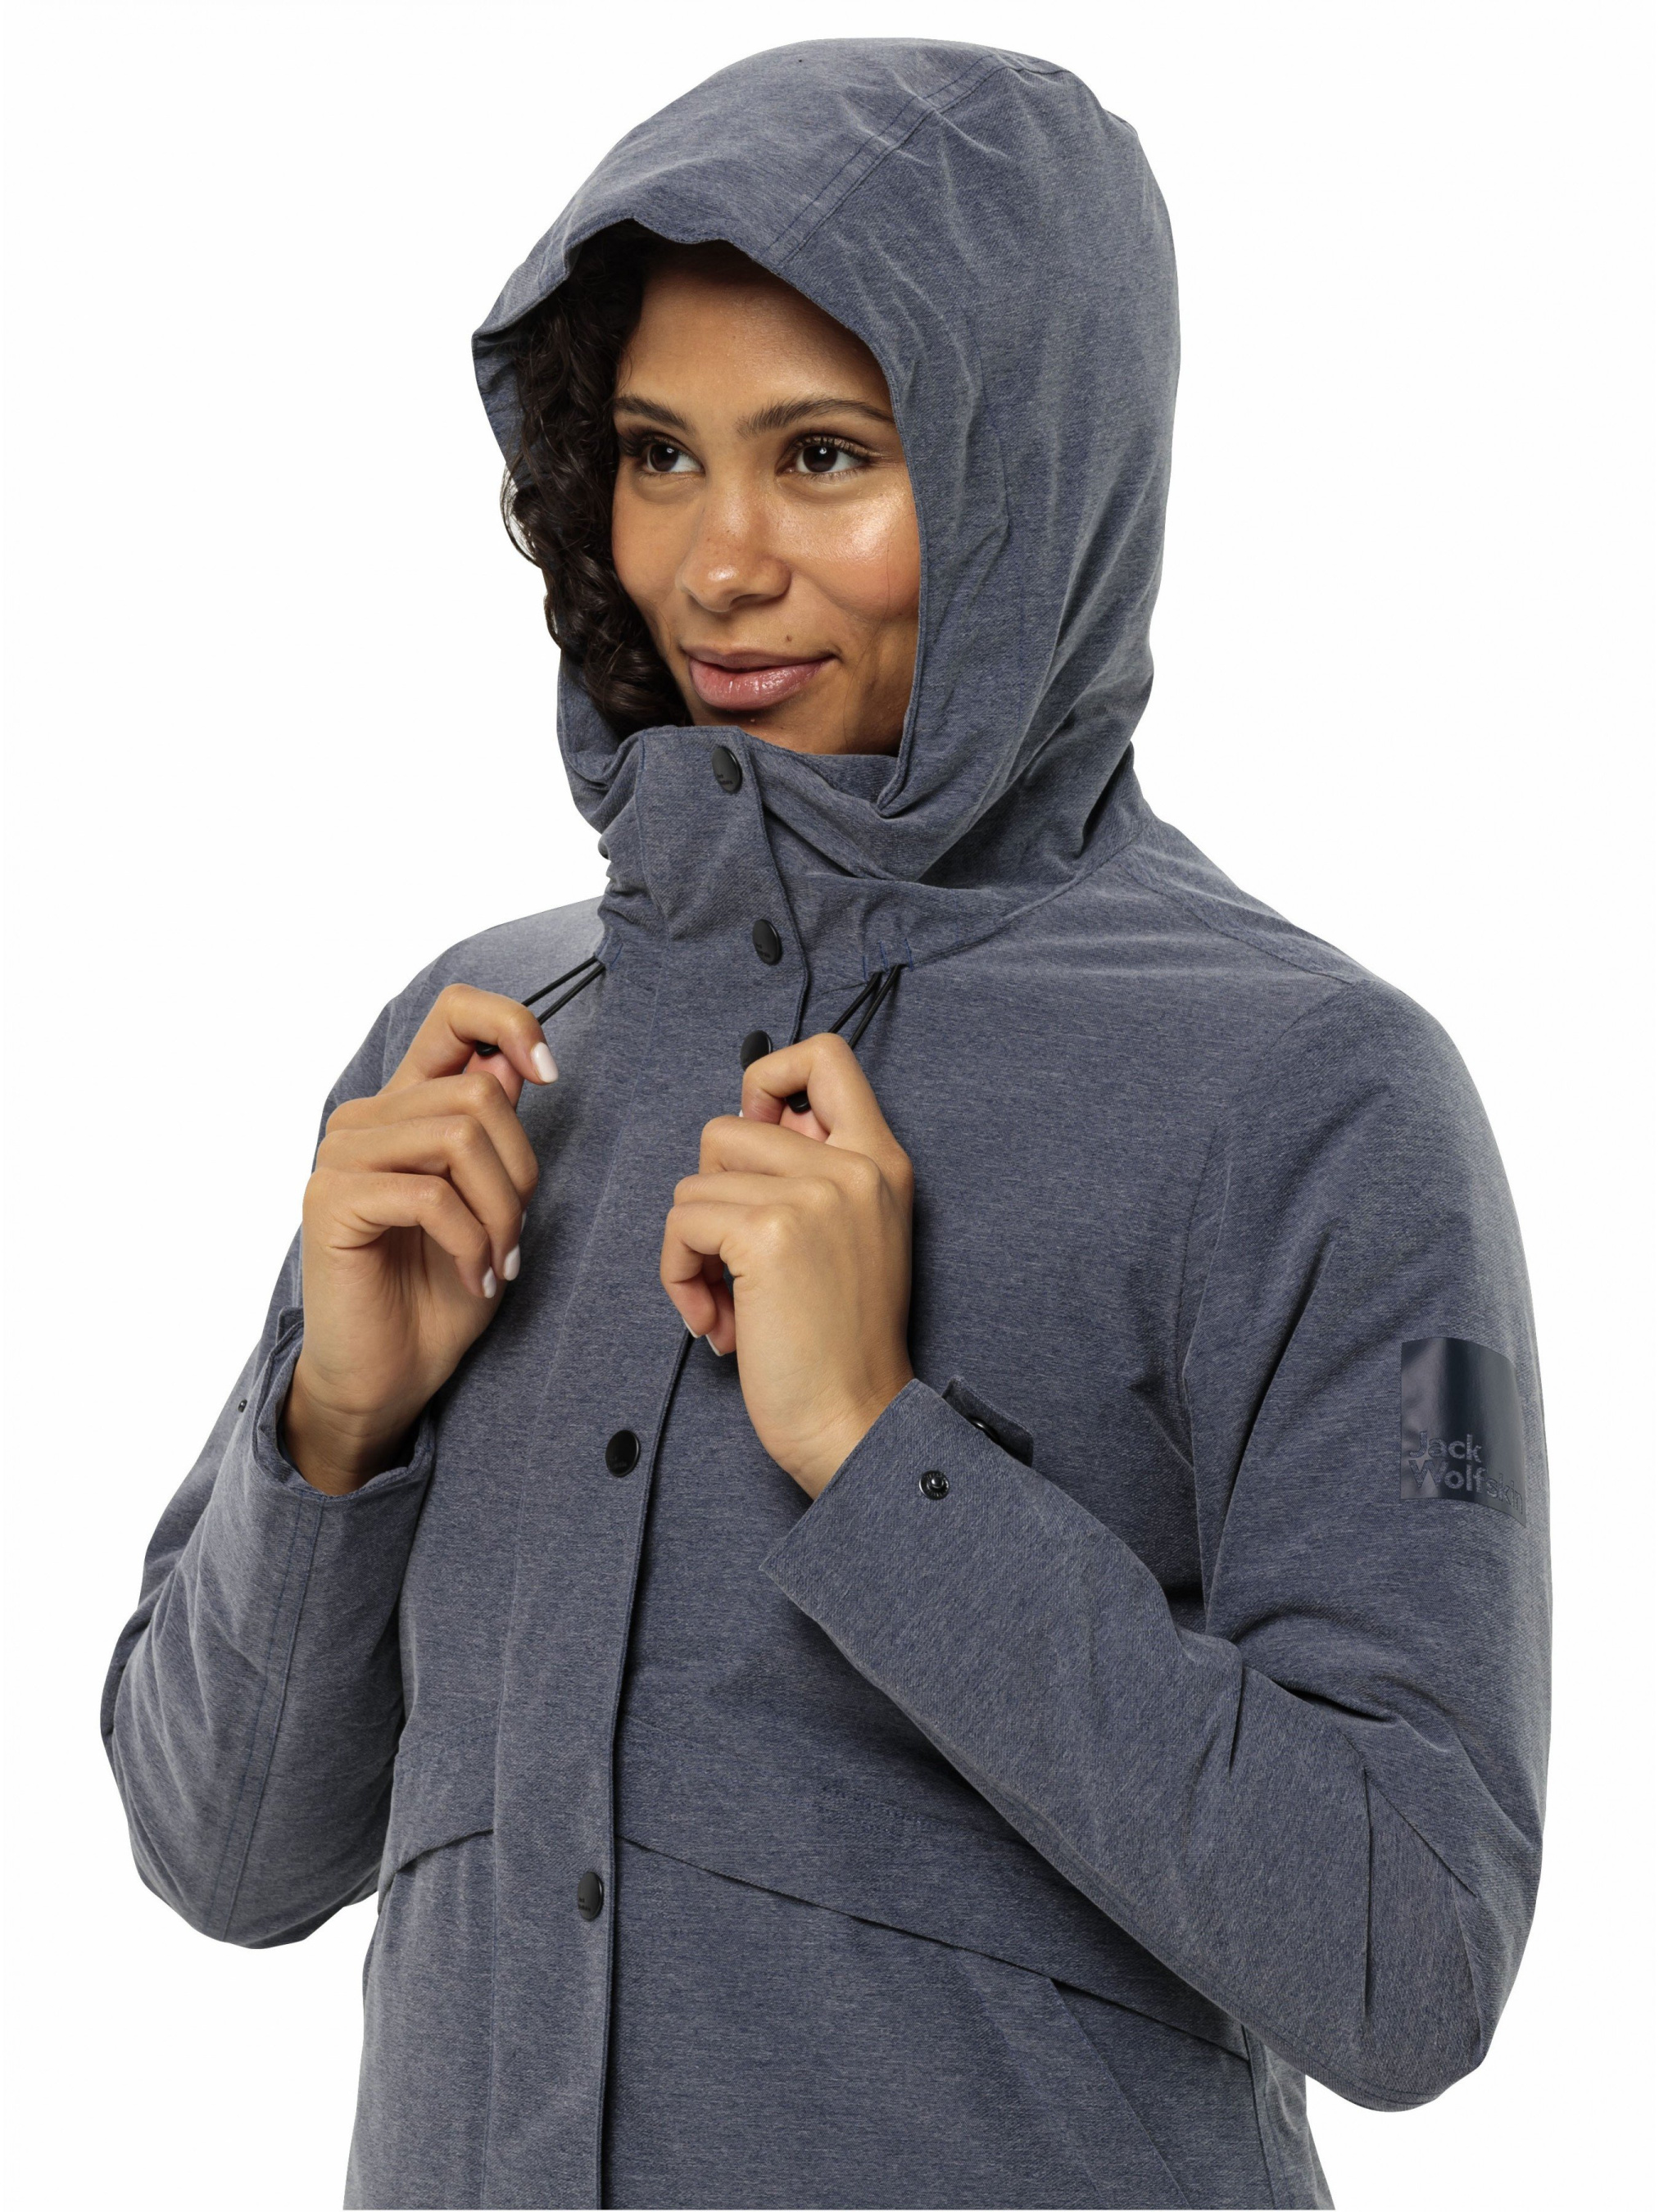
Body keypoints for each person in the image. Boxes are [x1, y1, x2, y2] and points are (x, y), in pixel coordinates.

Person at [101, 38, 1551, 2212]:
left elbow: (1407, 1944)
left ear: (1026, 468)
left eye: (825, 457)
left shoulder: (1325, 1098)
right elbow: (217, 1854)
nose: (719, 564)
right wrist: (332, 1430)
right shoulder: (488, 1047)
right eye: (657, 457)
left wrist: (879, 1452)